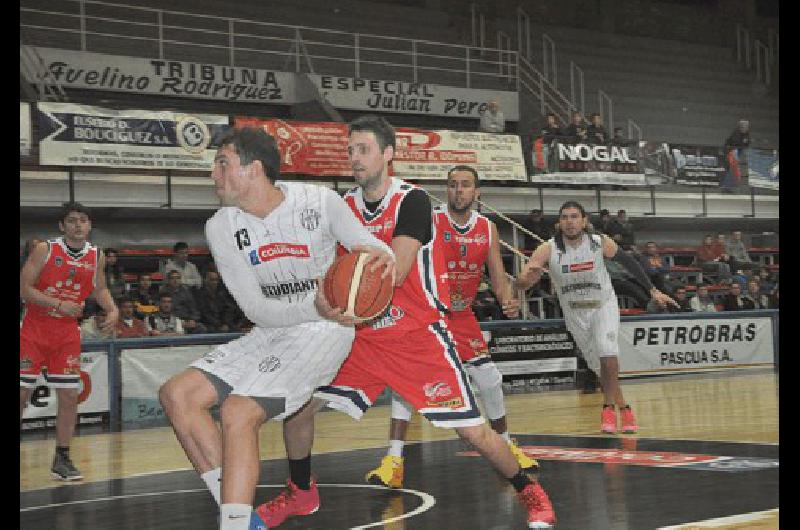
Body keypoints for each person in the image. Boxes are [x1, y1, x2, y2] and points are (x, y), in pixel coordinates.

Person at [254, 116, 556, 529]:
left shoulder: (412, 201)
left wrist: (346, 282)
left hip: (415, 337)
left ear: (388, 155)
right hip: (359, 338)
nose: (354, 159)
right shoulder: (342, 208)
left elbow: (393, 271)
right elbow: (328, 271)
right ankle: (300, 492)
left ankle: (530, 491)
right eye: (350, 151)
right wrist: (321, 301)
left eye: (363, 150)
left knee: (473, 433)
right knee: (299, 410)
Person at [157, 126, 394, 530]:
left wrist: (367, 284)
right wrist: (315, 304)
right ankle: (242, 518)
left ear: (253, 169)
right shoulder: (220, 226)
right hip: (276, 326)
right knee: (177, 395)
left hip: (326, 331)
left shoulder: (319, 201)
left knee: (238, 411)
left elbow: (377, 251)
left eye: (222, 164)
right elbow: (257, 309)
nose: (213, 175)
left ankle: (232, 524)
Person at [365, 165, 539, 490]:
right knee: (406, 388)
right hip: (428, 313)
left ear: (477, 193)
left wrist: (507, 300)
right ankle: (393, 460)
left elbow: (498, 277)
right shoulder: (429, 220)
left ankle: (506, 443)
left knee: (490, 379)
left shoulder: (487, 228)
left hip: (461, 316)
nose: (458, 190)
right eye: (453, 185)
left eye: (465, 185)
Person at [515, 201, 676, 435]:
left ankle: (608, 408)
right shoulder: (548, 249)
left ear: (584, 221)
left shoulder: (599, 242)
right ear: (559, 223)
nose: (569, 222)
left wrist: (652, 290)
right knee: (599, 367)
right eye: (565, 217)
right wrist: (523, 281)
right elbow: (523, 279)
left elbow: (629, 263)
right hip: (574, 312)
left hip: (603, 305)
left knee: (607, 350)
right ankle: (624, 406)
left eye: (574, 216)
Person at [20, 202, 119, 481]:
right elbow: (23, 288)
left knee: (69, 396)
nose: (78, 225)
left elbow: (100, 288)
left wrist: (112, 309)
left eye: (83, 220)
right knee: (21, 395)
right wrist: (57, 303)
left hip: (66, 334)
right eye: (72, 221)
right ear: (62, 226)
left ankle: (62, 458)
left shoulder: (96, 255)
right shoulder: (45, 249)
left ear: (89, 225)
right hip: (33, 330)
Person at [160, 270, 207, 334]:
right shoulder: (164, 292)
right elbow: (163, 310)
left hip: (187, 320)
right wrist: (179, 322)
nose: (175, 280)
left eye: (178, 278)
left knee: (201, 328)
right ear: (168, 280)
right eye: (172, 278)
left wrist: (192, 320)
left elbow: (194, 309)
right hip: (172, 321)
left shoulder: (186, 291)